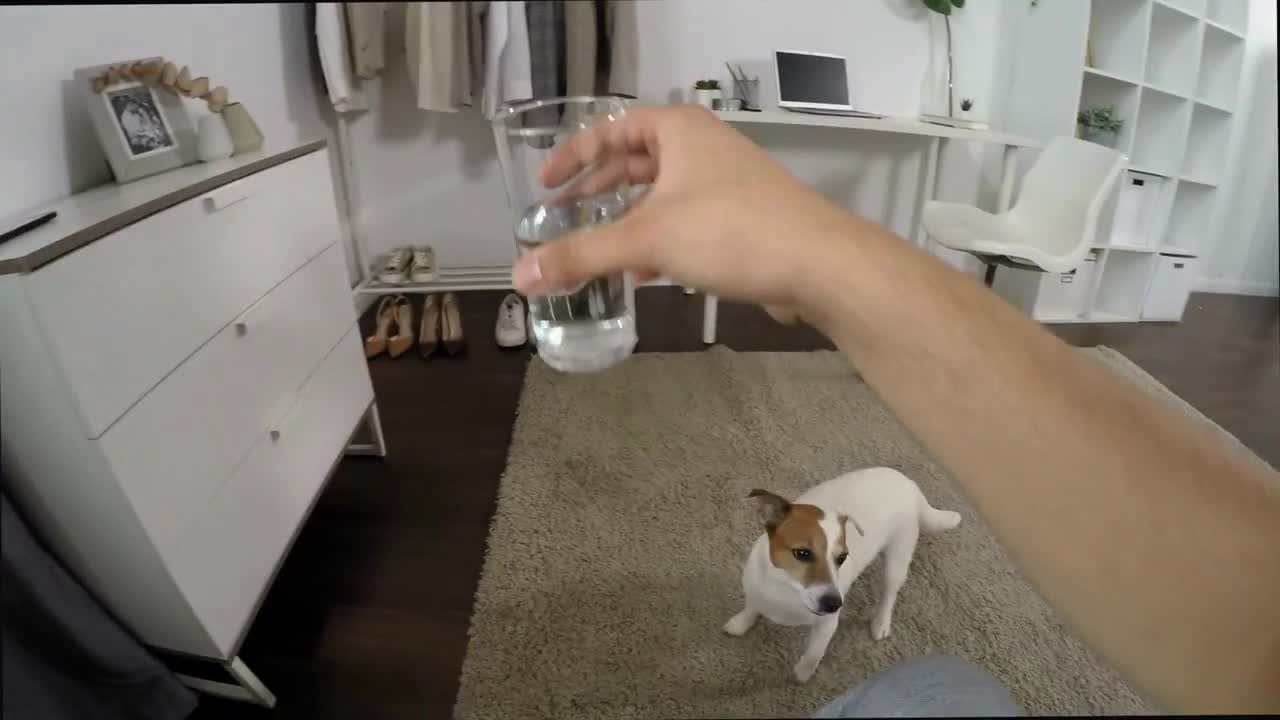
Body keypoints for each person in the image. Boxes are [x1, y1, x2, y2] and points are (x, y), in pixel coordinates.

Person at [509, 105, 1280, 714]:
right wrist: (817, 257)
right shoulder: (780, 533)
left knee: (934, 671)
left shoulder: (837, 555)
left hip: (885, 515)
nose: (830, 571)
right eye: (820, 556)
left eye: (831, 558)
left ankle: (876, 592)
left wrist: (817, 255)